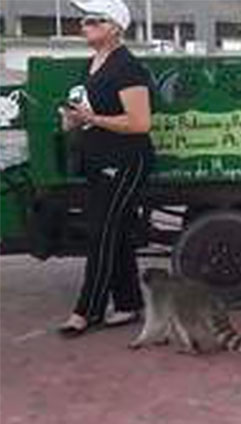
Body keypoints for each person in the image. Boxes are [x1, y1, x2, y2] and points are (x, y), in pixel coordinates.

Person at [56, 0, 154, 337]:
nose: (85, 25)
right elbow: (87, 110)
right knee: (118, 232)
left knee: (102, 234)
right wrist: (72, 118)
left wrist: (91, 119)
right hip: (98, 161)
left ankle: (87, 311)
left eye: (94, 20)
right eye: (83, 20)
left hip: (125, 161)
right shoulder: (93, 64)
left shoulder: (127, 68)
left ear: (114, 27)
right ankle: (128, 304)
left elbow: (140, 123)